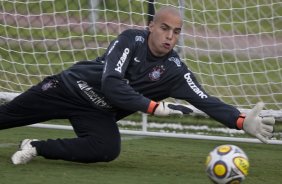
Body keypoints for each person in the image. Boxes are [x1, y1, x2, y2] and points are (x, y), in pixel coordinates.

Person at [0, 6, 275, 165]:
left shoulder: (176, 71)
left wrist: (240, 122)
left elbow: (206, 100)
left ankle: (35, 146)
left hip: (96, 113)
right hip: (67, 88)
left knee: (106, 149)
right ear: (151, 27)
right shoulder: (130, 40)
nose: (170, 37)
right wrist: (153, 107)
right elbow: (111, 84)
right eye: (164, 28)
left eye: (176, 32)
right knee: (5, 117)